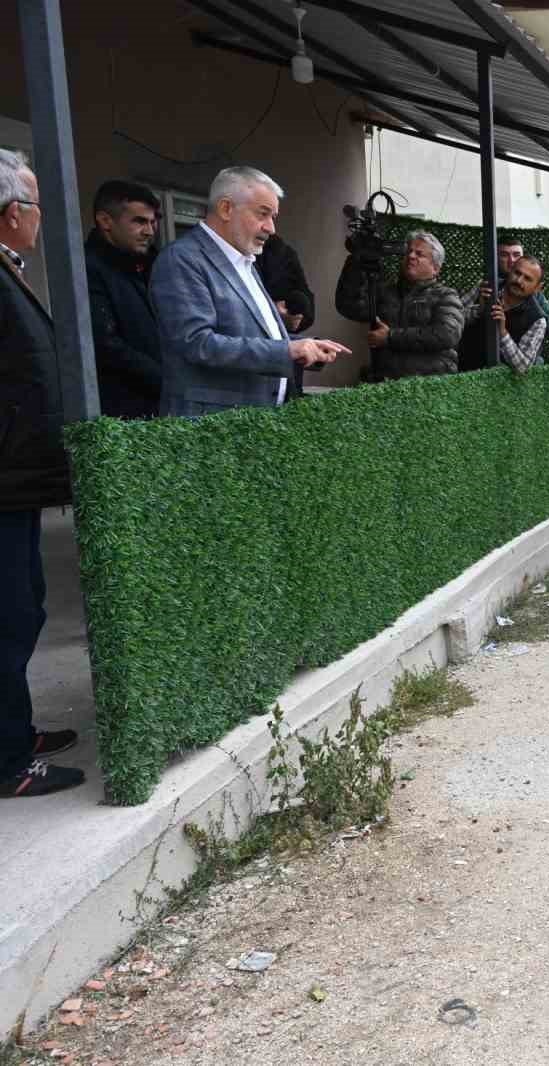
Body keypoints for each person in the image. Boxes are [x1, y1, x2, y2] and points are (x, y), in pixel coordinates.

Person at [0, 149, 83, 796]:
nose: (39, 217)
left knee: (23, 611)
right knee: (9, 617)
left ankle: (16, 731)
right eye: (34, 204)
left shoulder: (8, 267)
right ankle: (8, 763)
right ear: (10, 213)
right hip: (5, 481)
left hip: (18, 483)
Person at [151, 166, 346, 416]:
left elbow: (252, 333)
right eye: (263, 214)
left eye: (273, 216)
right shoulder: (181, 259)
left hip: (255, 422)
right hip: (211, 423)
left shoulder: (245, 261)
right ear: (225, 209)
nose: (271, 228)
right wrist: (287, 351)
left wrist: (305, 346)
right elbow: (198, 343)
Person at [335, 229, 463, 380]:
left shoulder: (446, 295)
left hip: (431, 384)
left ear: (435, 268)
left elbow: (447, 334)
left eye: (419, 254)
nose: (411, 256)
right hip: (386, 383)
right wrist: (355, 262)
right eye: (408, 252)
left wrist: (390, 337)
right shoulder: (385, 291)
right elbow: (350, 307)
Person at [83, 180, 163, 418]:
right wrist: (168, 380)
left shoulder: (150, 265)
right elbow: (106, 345)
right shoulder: (87, 268)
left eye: (152, 221)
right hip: (122, 415)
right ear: (105, 221)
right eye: (139, 221)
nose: (149, 231)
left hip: (160, 407)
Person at [457, 255, 548, 373]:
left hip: (494, 381)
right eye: (517, 273)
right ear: (510, 270)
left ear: (538, 287)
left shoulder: (537, 320)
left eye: (527, 279)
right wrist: (479, 311)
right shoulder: (486, 287)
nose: (519, 281)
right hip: (458, 369)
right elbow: (452, 319)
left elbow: (523, 367)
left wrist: (502, 332)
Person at [462, 235, 549, 341]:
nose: (511, 260)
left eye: (516, 255)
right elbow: (456, 314)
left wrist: (526, 308)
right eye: (504, 255)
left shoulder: (535, 295)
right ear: (495, 258)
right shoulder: (486, 285)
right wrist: (479, 310)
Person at [255, 234, 316, 398]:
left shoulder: (284, 253)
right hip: (252, 365)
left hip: (286, 359)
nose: (269, 226)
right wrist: (272, 312)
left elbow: (306, 300)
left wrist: (297, 317)